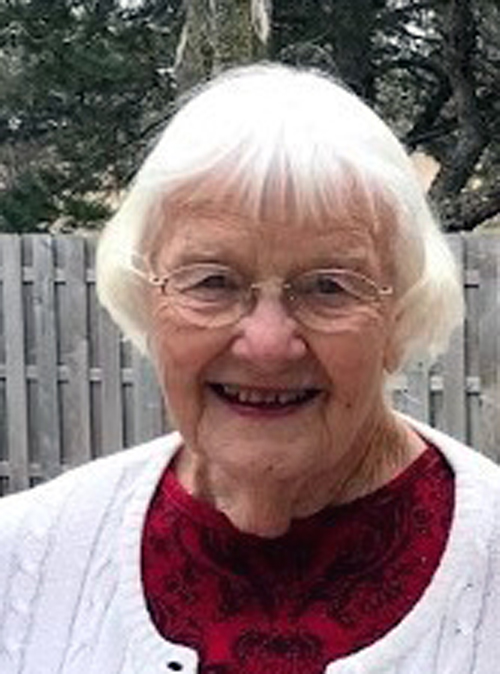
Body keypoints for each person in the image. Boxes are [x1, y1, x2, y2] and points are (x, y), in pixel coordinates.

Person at [1, 63, 499, 674]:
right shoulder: (20, 565)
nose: (267, 346)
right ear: (146, 301)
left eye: (329, 287)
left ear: (399, 316)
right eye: (212, 281)